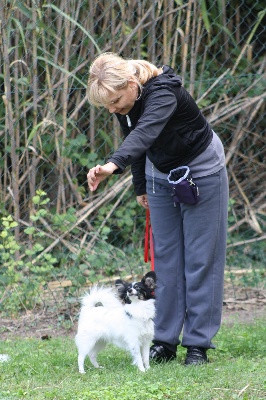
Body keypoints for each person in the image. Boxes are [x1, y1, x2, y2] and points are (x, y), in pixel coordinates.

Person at [86, 52, 229, 366]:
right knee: (165, 261)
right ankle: (163, 340)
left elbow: (145, 131)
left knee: (201, 258)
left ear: (132, 82)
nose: (112, 109)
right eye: (107, 105)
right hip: (159, 177)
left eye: (114, 101)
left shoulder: (164, 91)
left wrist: (112, 165)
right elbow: (134, 136)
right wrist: (140, 185)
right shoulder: (123, 100)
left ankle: (197, 344)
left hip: (202, 172)